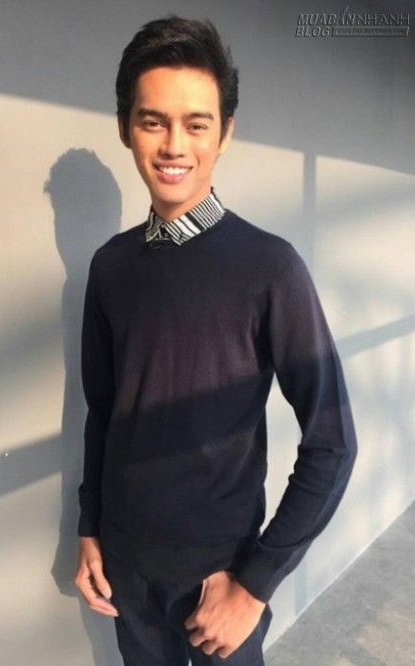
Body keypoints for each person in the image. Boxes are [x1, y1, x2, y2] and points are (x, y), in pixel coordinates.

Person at [74, 15, 357, 666]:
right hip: (124, 567)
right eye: (153, 121)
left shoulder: (270, 267)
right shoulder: (110, 266)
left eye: (196, 124)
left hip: (218, 579)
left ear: (225, 132)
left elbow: (333, 441)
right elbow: (103, 413)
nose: (174, 145)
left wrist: (255, 584)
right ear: (125, 127)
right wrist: (90, 526)